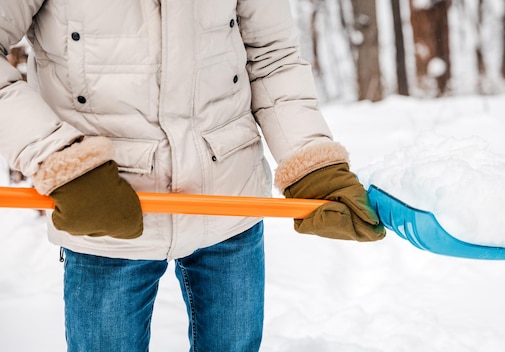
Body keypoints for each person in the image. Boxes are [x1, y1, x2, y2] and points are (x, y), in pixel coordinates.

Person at [0, 1, 385, 351]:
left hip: (229, 204)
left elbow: (273, 58)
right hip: (105, 213)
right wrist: (62, 160)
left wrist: (312, 164)